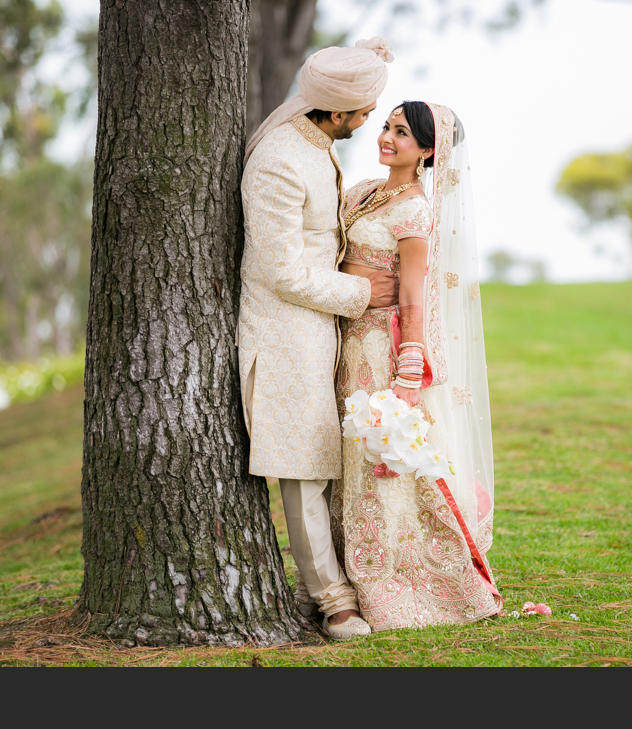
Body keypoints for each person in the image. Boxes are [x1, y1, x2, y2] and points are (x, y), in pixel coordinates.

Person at [237, 38, 397, 641]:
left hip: (317, 330)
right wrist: (362, 295)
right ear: (336, 112)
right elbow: (281, 271)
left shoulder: (317, 144)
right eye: (364, 111)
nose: (369, 121)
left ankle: (335, 582)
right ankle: (332, 603)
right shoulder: (280, 158)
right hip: (282, 334)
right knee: (302, 467)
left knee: (328, 463)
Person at [333, 101, 503, 631]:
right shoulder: (364, 191)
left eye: (402, 133)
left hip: (381, 348)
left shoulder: (413, 211)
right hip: (346, 337)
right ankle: (338, 576)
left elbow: (413, 297)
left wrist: (407, 379)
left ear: (429, 151)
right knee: (343, 461)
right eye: (386, 126)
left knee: (375, 465)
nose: (386, 137)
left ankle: (386, 581)